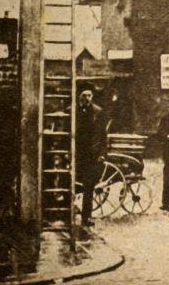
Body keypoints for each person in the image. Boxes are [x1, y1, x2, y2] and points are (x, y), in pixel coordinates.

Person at [75, 82, 107, 227]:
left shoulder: (98, 112)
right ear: (78, 96)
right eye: (84, 95)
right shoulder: (72, 111)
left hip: (91, 154)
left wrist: (102, 153)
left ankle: (86, 216)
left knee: (89, 186)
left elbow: (102, 135)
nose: (87, 98)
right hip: (76, 153)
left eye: (89, 95)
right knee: (73, 184)